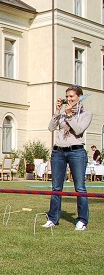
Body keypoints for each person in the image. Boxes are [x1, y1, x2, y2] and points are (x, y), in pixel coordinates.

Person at [43, 86, 92, 231]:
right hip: (59, 152)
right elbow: (51, 127)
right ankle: (53, 218)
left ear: (79, 97)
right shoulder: (63, 113)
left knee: (80, 187)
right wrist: (58, 111)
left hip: (76, 152)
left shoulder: (86, 114)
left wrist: (70, 115)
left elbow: (78, 130)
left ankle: (82, 220)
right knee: (56, 187)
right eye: (67, 97)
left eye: (71, 96)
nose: (68, 99)